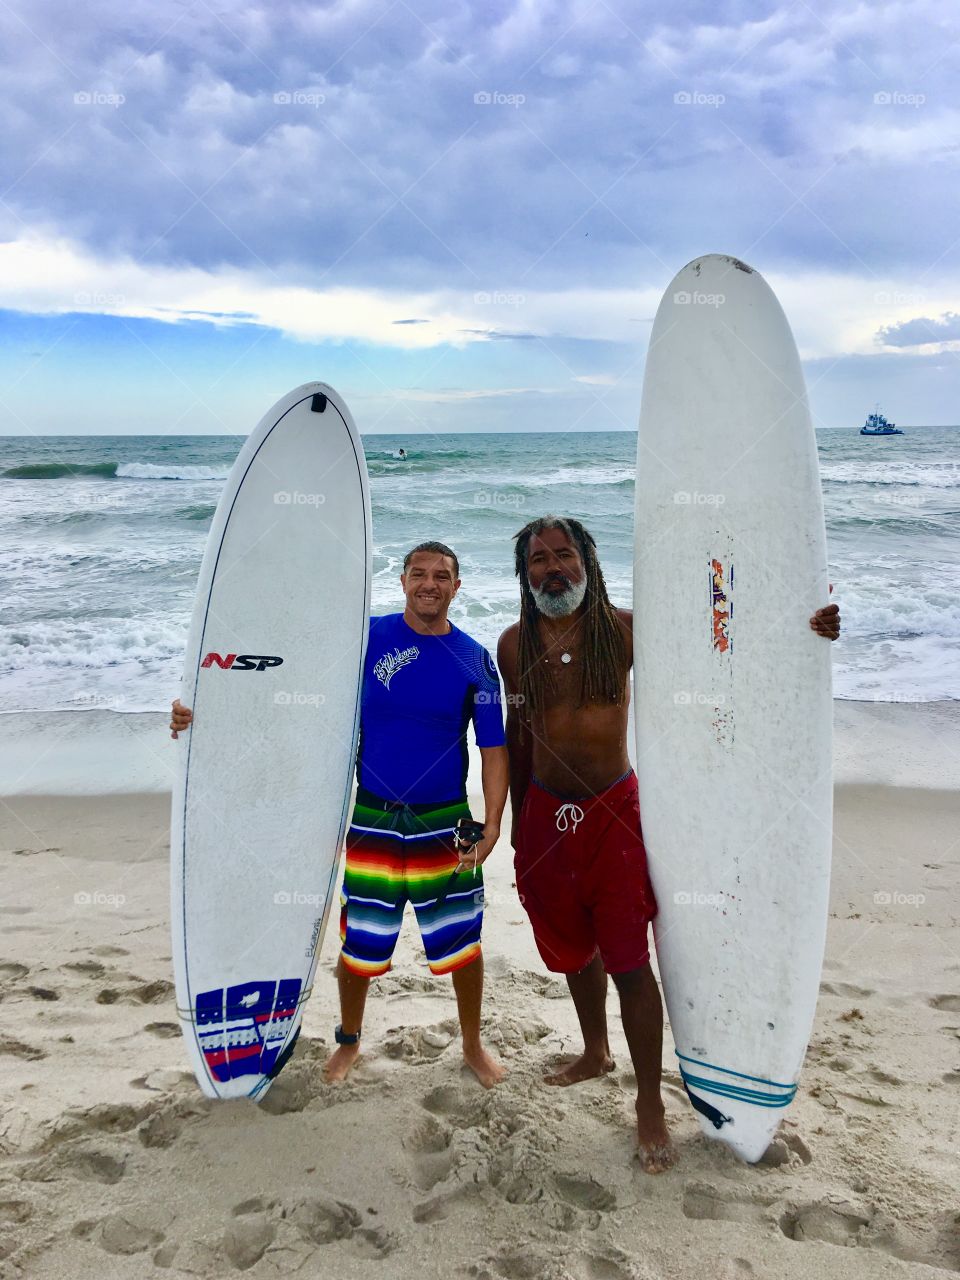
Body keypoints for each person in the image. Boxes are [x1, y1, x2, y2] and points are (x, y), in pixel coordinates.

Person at [497, 516, 840, 1172]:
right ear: (525, 573)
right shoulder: (514, 645)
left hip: (616, 814)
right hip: (546, 817)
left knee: (629, 960)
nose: (552, 569)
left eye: (563, 554)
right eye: (538, 560)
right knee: (573, 944)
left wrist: (803, 625)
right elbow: (520, 734)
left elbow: (719, 645)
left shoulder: (625, 632)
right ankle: (595, 1051)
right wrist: (518, 825)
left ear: (588, 561)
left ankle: (649, 1101)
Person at [171, 541, 509, 1089]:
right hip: (372, 816)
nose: (429, 583)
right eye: (419, 574)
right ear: (401, 582)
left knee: (462, 942)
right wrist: (203, 709)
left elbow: (494, 748)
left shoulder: (474, 659)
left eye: (441, 575)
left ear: (457, 586)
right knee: (362, 942)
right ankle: (350, 1040)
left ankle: (471, 1043)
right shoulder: (365, 639)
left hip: (446, 820)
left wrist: (492, 824)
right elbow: (283, 686)